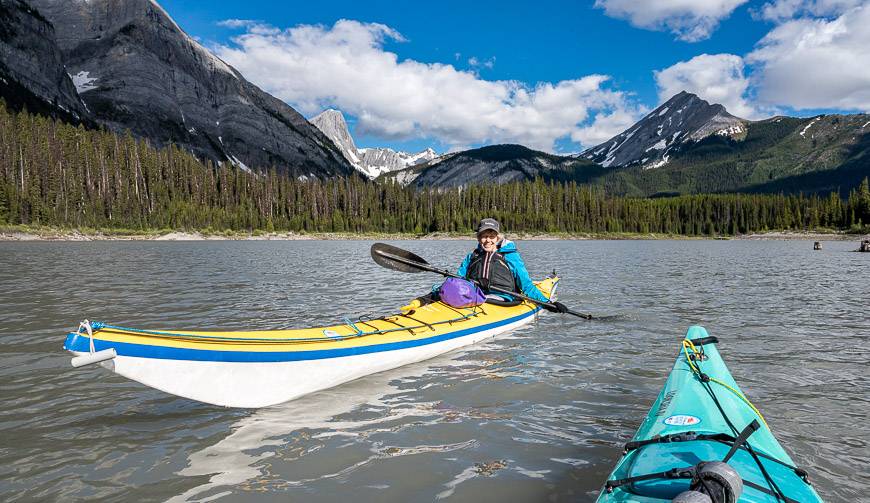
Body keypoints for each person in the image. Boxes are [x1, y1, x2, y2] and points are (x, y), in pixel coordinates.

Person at [457, 218, 568, 313]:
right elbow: (456, 280)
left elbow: (526, 285)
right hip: (476, 295)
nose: (488, 240)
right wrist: (440, 292)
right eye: (484, 236)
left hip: (503, 298)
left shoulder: (510, 256)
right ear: (478, 238)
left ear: (497, 238)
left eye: (491, 236)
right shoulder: (472, 257)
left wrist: (548, 303)